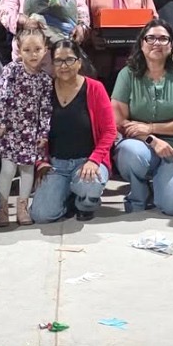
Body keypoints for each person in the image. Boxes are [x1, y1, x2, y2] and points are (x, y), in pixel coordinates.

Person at [113, 20, 173, 215]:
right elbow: (118, 121)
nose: (156, 43)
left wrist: (151, 128)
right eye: (151, 38)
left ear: (171, 46)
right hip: (142, 144)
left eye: (163, 39)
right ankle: (139, 193)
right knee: (128, 151)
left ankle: (164, 184)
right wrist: (151, 139)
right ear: (141, 44)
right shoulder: (127, 75)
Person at [29, 39, 115, 223]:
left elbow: (110, 131)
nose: (64, 65)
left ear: (79, 62)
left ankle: (85, 205)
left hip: (87, 161)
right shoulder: (45, 90)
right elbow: (35, 132)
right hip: (56, 165)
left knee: (89, 185)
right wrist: (41, 162)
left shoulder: (95, 88)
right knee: (41, 215)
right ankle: (69, 196)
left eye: (69, 59)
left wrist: (94, 160)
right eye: (58, 61)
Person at [0, 30, 52, 227]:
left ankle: (22, 207)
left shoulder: (45, 79)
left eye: (37, 49)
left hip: (30, 132)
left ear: (45, 50)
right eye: (27, 50)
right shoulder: (11, 70)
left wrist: (43, 132)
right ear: (19, 50)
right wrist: (1, 122)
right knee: (8, 169)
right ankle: (2, 208)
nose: (33, 54)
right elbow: (2, 96)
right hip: (9, 130)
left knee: (27, 170)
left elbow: (46, 108)